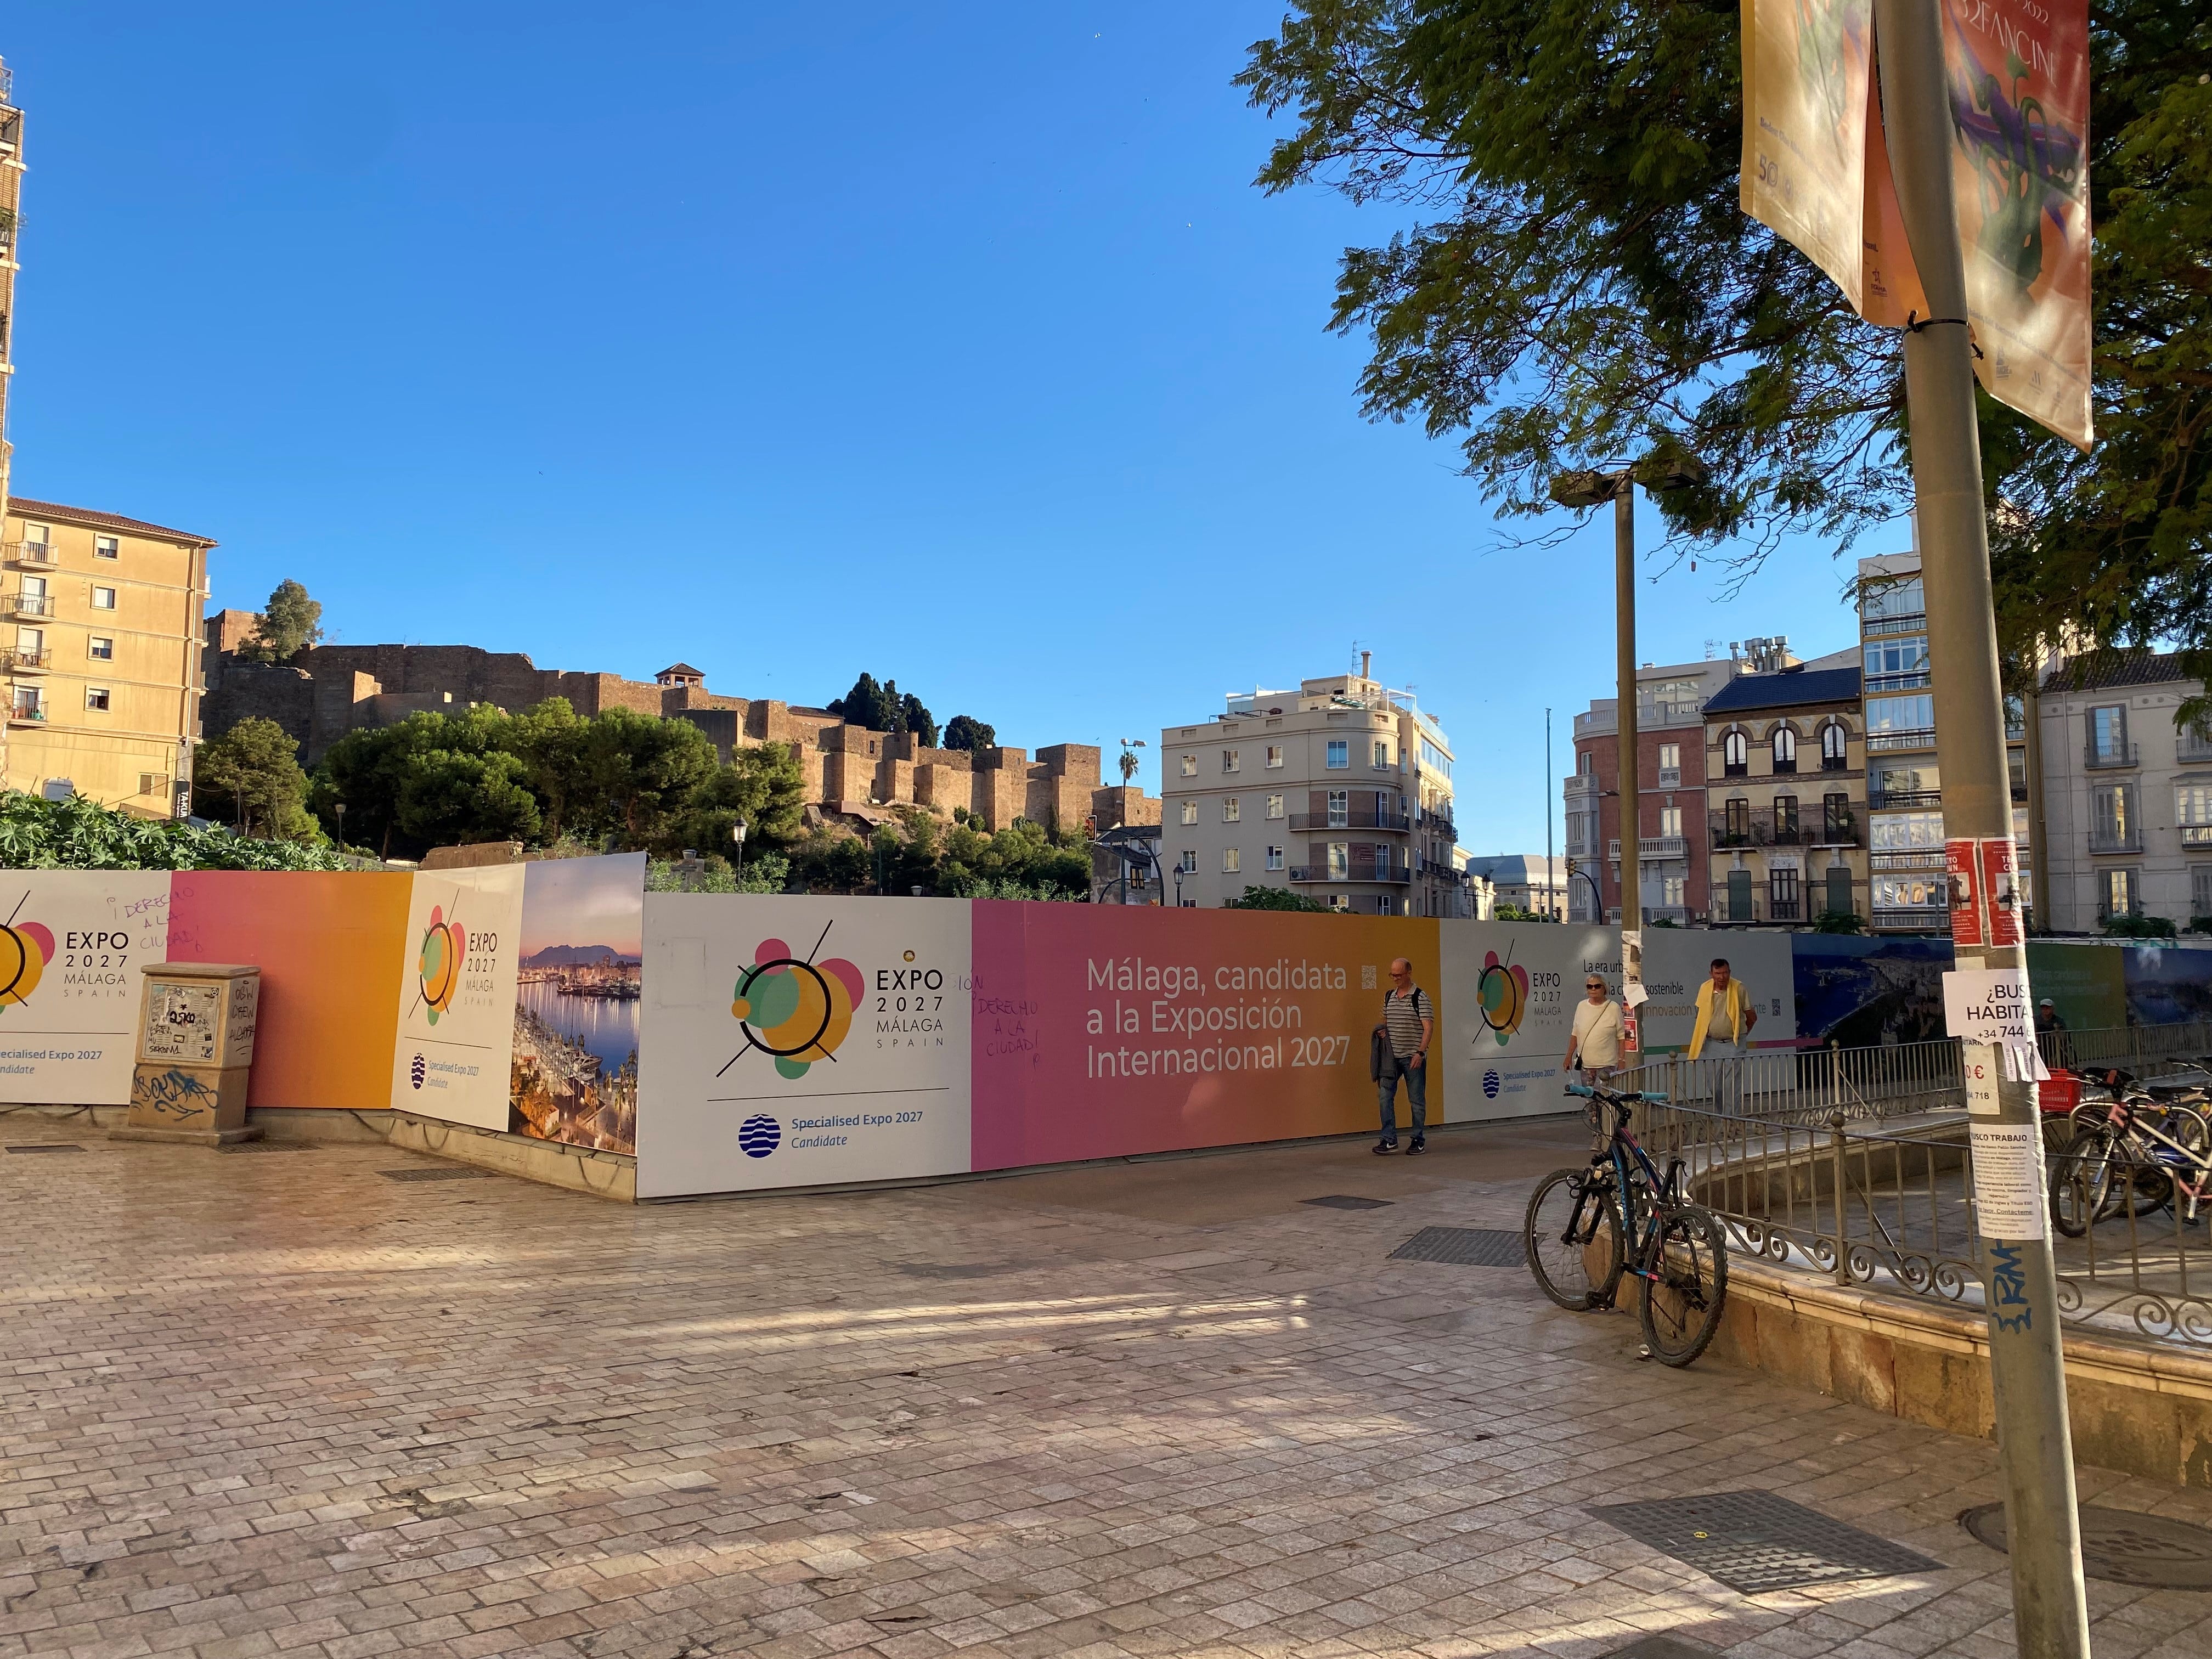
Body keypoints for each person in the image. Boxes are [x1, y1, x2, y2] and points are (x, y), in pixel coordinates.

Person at [1375, 957, 1434, 1155]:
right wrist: (1382, 1030)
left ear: (1409, 972)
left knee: (1416, 1101)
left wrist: (1420, 1052)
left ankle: (1418, 1140)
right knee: (1385, 1096)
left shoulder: (1420, 997)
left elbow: (1428, 1028)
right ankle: (1389, 1139)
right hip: (1391, 1058)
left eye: (1399, 974)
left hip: (1412, 1057)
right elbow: (1385, 1020)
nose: (1395, 978)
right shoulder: (1389, 996)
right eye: (1392, 974)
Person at [1689, 957, 1757, 1111]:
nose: (1722, 977)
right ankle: (1722, 1116)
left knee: (1731, 1085)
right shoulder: (1705, 989)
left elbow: (1752, 1016)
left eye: (1725, 973)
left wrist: (1741, 1034)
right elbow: (1701, 1015)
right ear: (1711, 974)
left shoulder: (1739, 988)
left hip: (1734, 1043)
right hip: (1712, 1043)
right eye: (1718, 973)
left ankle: (1731, 1120)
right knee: (1714, 1085)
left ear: (1730, 972)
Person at [1562, 974, 1623, 1085]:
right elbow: (1575, 1033)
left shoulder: (1614, 1008)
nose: (1593, 989)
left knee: (1605, 1100)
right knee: (1589, 1101)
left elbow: (1622, 1037)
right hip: (1586, 1067)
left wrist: (1622, 1061)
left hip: (1607, 1066)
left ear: (1604, 988)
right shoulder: (1581, 1006)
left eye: (1597, 986)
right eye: (1590, 987)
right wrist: (1568, 1056)